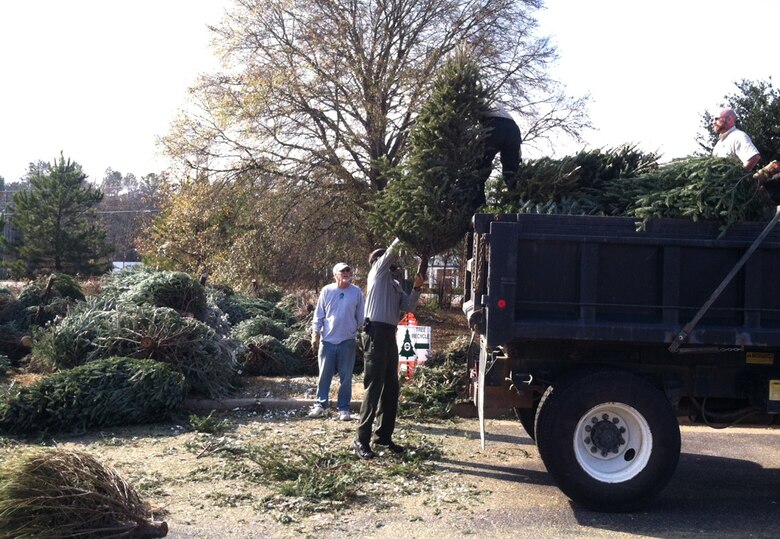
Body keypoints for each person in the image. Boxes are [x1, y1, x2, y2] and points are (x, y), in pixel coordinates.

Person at [353, 238, 424, 459]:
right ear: (379, 261)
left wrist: (418, 286)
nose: (395, 261)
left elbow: (408, 306)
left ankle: (383, 437)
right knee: (374, 387)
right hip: (375, 334)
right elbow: (392, 252)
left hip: (389, 335)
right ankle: (361, 439)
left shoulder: (393, 284)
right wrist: (404, 234)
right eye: (389, 258)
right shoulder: (376, 273)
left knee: (391, 387)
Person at [308, 262, 365, 421]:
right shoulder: (327, 290)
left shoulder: (356, 292)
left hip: (347, 340)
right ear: (336, 275)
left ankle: (344, 409)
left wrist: (363, 332)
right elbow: (319, 314)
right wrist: (315, 333)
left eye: (348, 270)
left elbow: (361, 316)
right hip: (327, 341)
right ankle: (320, 404)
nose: (346, 273)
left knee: (346, 377)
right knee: (324, 375)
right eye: (343, 271)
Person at [474, 102, 523, 207]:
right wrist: (518, 159)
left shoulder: (476, 98)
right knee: (512, 171)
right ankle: (517, 203)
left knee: (479, 169)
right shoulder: (496, 104)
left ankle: (478, 206)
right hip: (513, 128)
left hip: (493, 125)